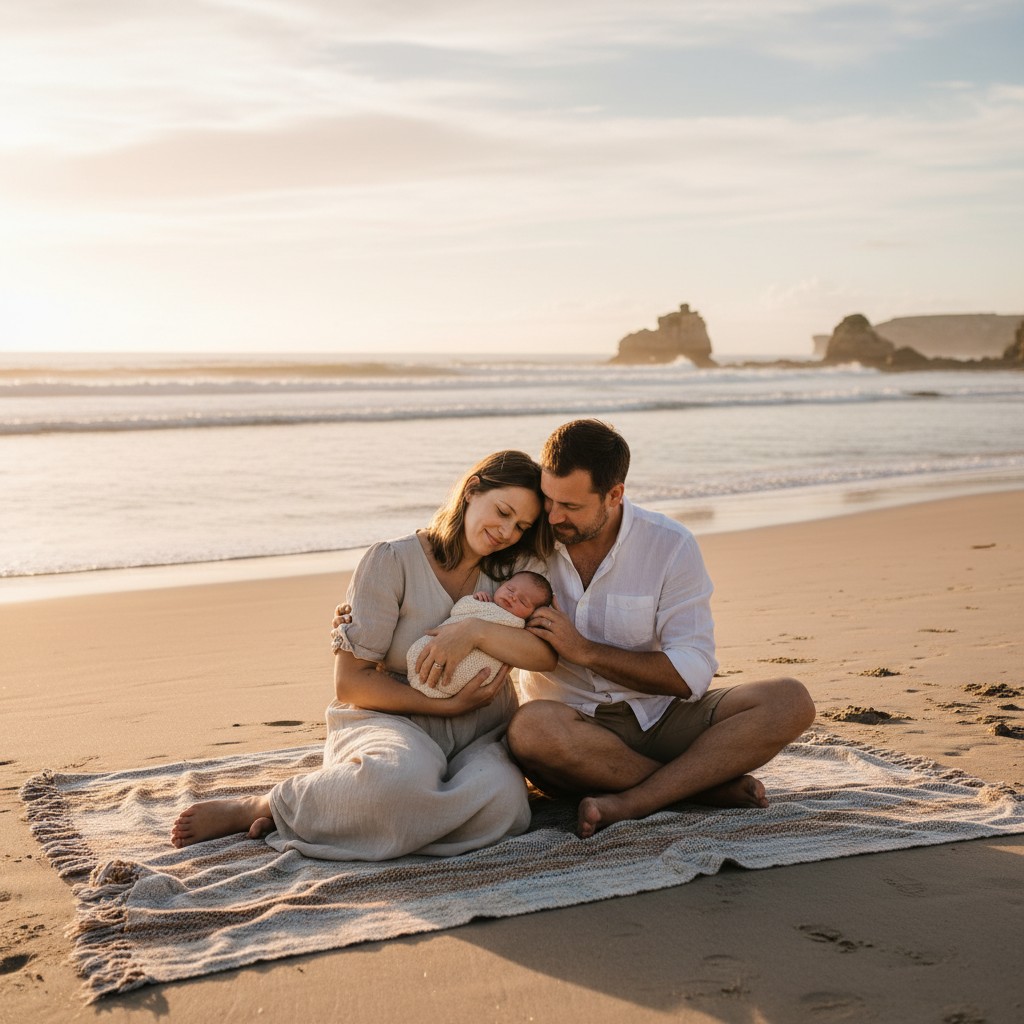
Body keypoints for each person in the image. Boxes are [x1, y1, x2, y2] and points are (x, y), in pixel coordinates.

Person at [170, 450, 556, 859]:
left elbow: (544, 653)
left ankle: (335, 813)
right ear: (472, 491)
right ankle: (270, 804)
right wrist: (446, 705)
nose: (507, 532)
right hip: (392, 721)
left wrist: (472, 631)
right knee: (397, 784)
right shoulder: (392, 561)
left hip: (480, 733)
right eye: (503, 512)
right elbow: (351, 682)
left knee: (507, 805)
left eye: (521, 526)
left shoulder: (517, 574)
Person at [506, 419, 816, 838]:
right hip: (573, 733)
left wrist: (587, 651)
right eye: (548, 499)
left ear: (614, 495)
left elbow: (691, 673)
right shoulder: (526, 541)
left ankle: (638, 799)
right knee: (529, 729)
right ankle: (700, 787)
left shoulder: (669, 545)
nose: (553, 515)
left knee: (790, 700)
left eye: (572, 507)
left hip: (662, 717)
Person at [405, 570, 553, 698]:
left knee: (458, 675)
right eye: (510, 589)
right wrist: (475, 600)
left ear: (532, 614)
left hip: (471, 674)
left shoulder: (518, 626)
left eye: (523, 601)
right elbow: (457, 611)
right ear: (502, 585)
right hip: (441, 648)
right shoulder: (483, 603)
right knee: (419, 654)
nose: (513, 597)